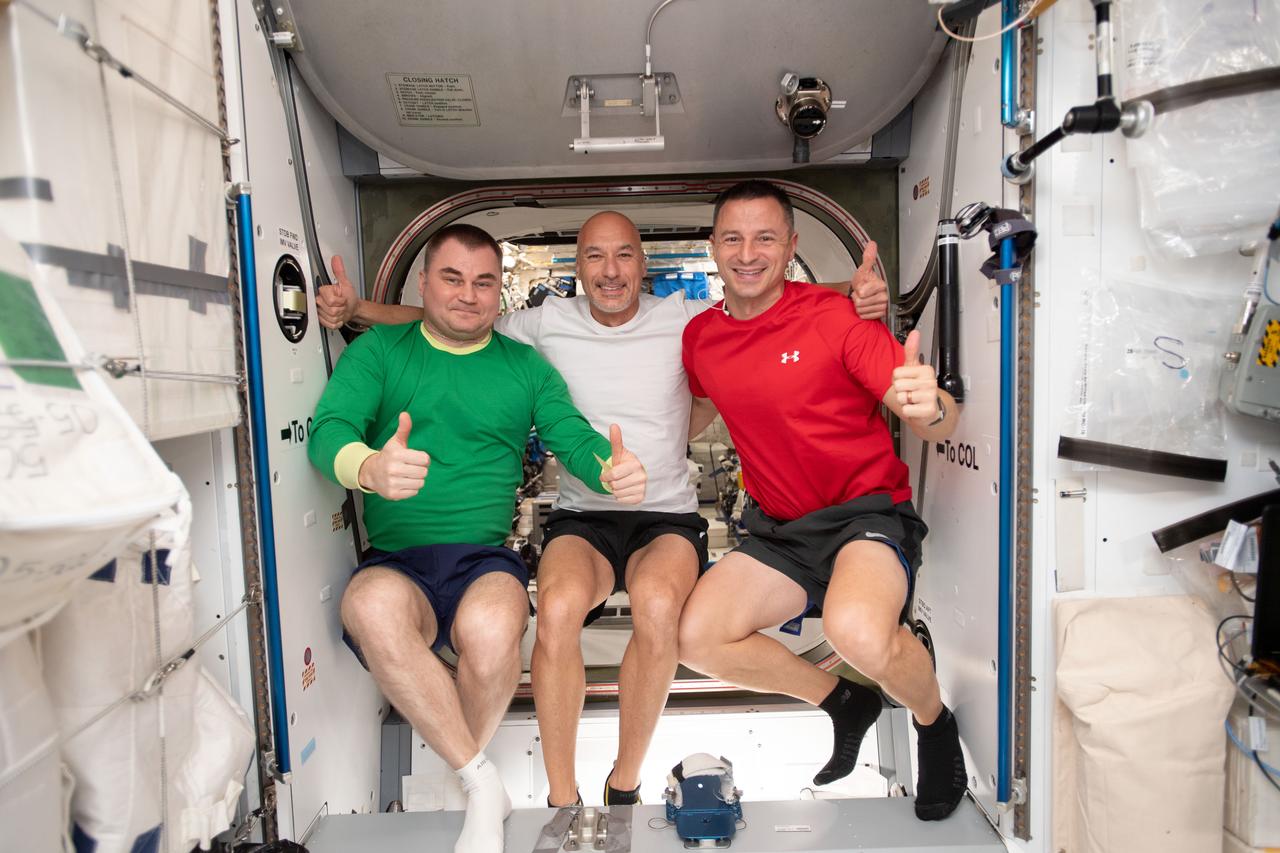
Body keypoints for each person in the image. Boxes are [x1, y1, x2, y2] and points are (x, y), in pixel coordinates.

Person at [315, 210, 889, 808]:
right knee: (558, 608)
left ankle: (623, 783)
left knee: (659, 605)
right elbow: (451, 314)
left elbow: (768, 298)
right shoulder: (542, 325)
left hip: (664, 513)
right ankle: (563, 797)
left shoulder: (686, 317)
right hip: (581, 516)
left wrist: (853, 290)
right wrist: (356, 311)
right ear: (576, 266)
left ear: (645, 264)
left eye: (623, 256)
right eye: (594, 256)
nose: (610, 271)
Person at [307, 223, 648, 853]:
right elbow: (329, 429)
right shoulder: (381, 351)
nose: (469, 295)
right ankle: (480, 780)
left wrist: (609, 467)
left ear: (499, 294)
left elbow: (571, 436)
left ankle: (464, 773)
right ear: (424, 282)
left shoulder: (524, 367)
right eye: (453, 278)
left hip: (484, 559)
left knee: (493, 631)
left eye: (484, 282)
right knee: (366, 606)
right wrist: (370, 467)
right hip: (396, 560)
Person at [677, 180, 967, 821]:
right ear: (713, 247)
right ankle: (842, 700)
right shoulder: (700, 335)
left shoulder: (835, 319)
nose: (747, 253)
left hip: (863, 513)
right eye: (732, 238)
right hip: (780, 529)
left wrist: (934, 407)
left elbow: (928, 414)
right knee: (696, 639)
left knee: (857, 631)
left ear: (791, 247)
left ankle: (933, 723)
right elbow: (698, 407)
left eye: (765, 238)